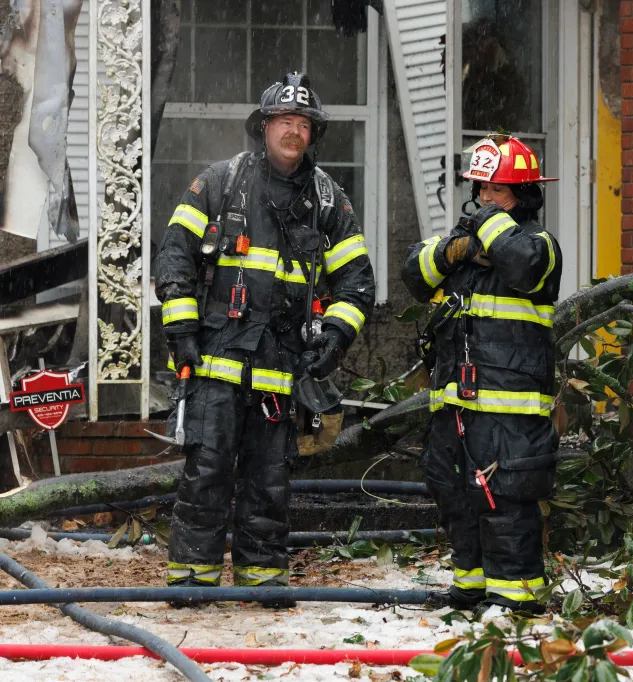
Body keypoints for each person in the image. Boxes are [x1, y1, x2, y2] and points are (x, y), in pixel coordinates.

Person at [154, 72, 375, 602]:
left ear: (311, 134)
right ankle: (192, 581)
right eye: (284, 122)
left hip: (281, 366)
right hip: (215, 359)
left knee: (269, 480)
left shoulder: (328, 201)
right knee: (206, 471)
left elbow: (358, 282)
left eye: (302, 124)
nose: (292, 132)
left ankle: (262, 582)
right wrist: (182, 330)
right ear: (265, 128)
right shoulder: (221, 182)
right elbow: (175, 255)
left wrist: (336, 337)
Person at [402, 135, 562, 615]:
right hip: (456, 407)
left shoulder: (540, 245)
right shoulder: (465, 242)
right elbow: (415, 270)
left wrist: (489, 229)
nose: (486, 200)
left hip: (510, 412)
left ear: (526, 195)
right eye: (482, 190)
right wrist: (456, 251)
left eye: (499, 192)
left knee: (507, 502)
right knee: (455, 495)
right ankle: (470, 589)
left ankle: (516, 602)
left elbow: (522, 264)